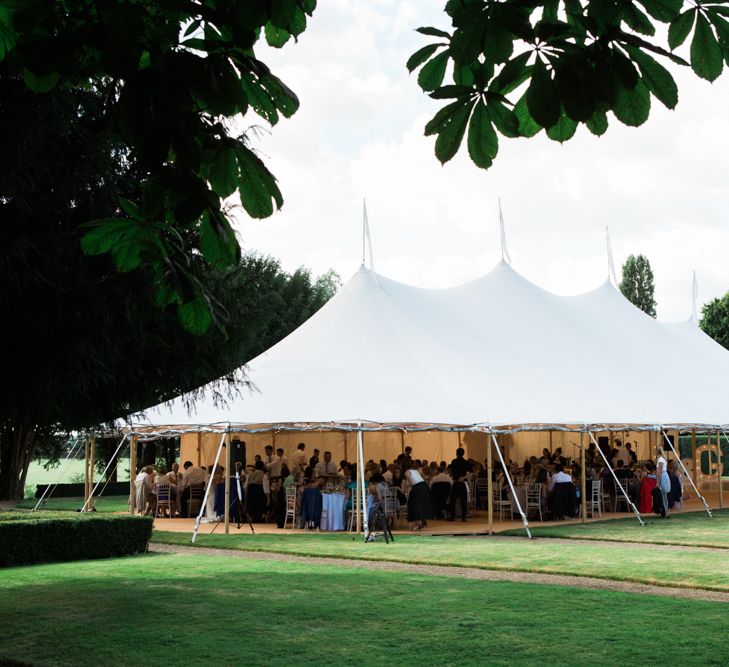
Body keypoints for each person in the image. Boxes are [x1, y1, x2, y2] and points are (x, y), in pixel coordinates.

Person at [404, 462, 432, 530]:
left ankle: (417, 524)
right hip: (423, 486)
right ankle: (421, 523)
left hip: (418, 487)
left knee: (415, 504)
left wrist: (406, 484)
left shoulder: (407, 472)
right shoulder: (415, 471)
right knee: (419, 505)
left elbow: (411, 483)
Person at [447, 447, 471, 522]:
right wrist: (464, 477)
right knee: (464, 501)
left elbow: (452, 471)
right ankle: (463, 517)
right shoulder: (466, 462)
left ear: (456, 453)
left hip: (456, 482)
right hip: (463, 482)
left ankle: (452, 516)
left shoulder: (454, 461)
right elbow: (471, 472)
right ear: (463, 454)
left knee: (452, 500)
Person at [655, 445, 671, 518]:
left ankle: (666, 511)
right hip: (664, 475)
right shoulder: (662, 459)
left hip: (663, 476)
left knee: (663, 495)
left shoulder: (660, 460)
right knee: (664, 496)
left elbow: (659, 471)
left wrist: (657, 482)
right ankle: (666, 511)